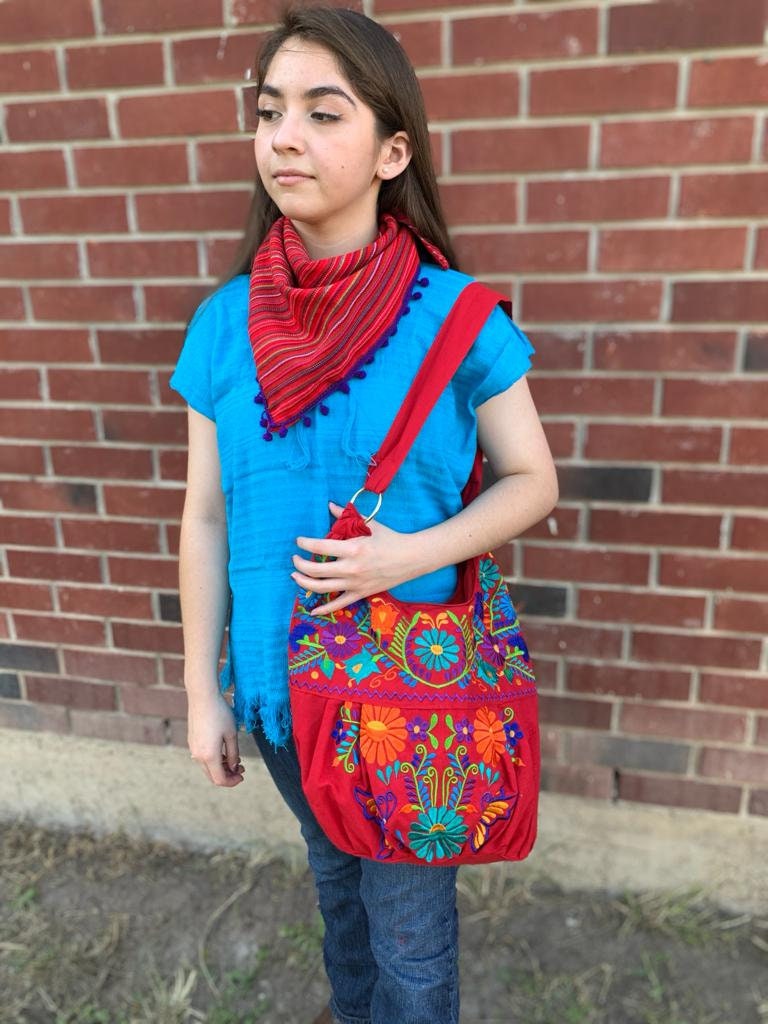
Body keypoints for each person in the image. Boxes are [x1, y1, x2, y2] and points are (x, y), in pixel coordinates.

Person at [170, 6, 558, 1023]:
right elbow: (205, 518)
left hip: (404, 706)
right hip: (275, 690)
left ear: (394, 150)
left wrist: (410, 553)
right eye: (269, 111)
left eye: (322, 113)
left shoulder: (457, 315)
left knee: (413, 952)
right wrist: (202, 693)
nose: (283, 136)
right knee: (339, 899)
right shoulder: (221, 324)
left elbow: (532, 478)